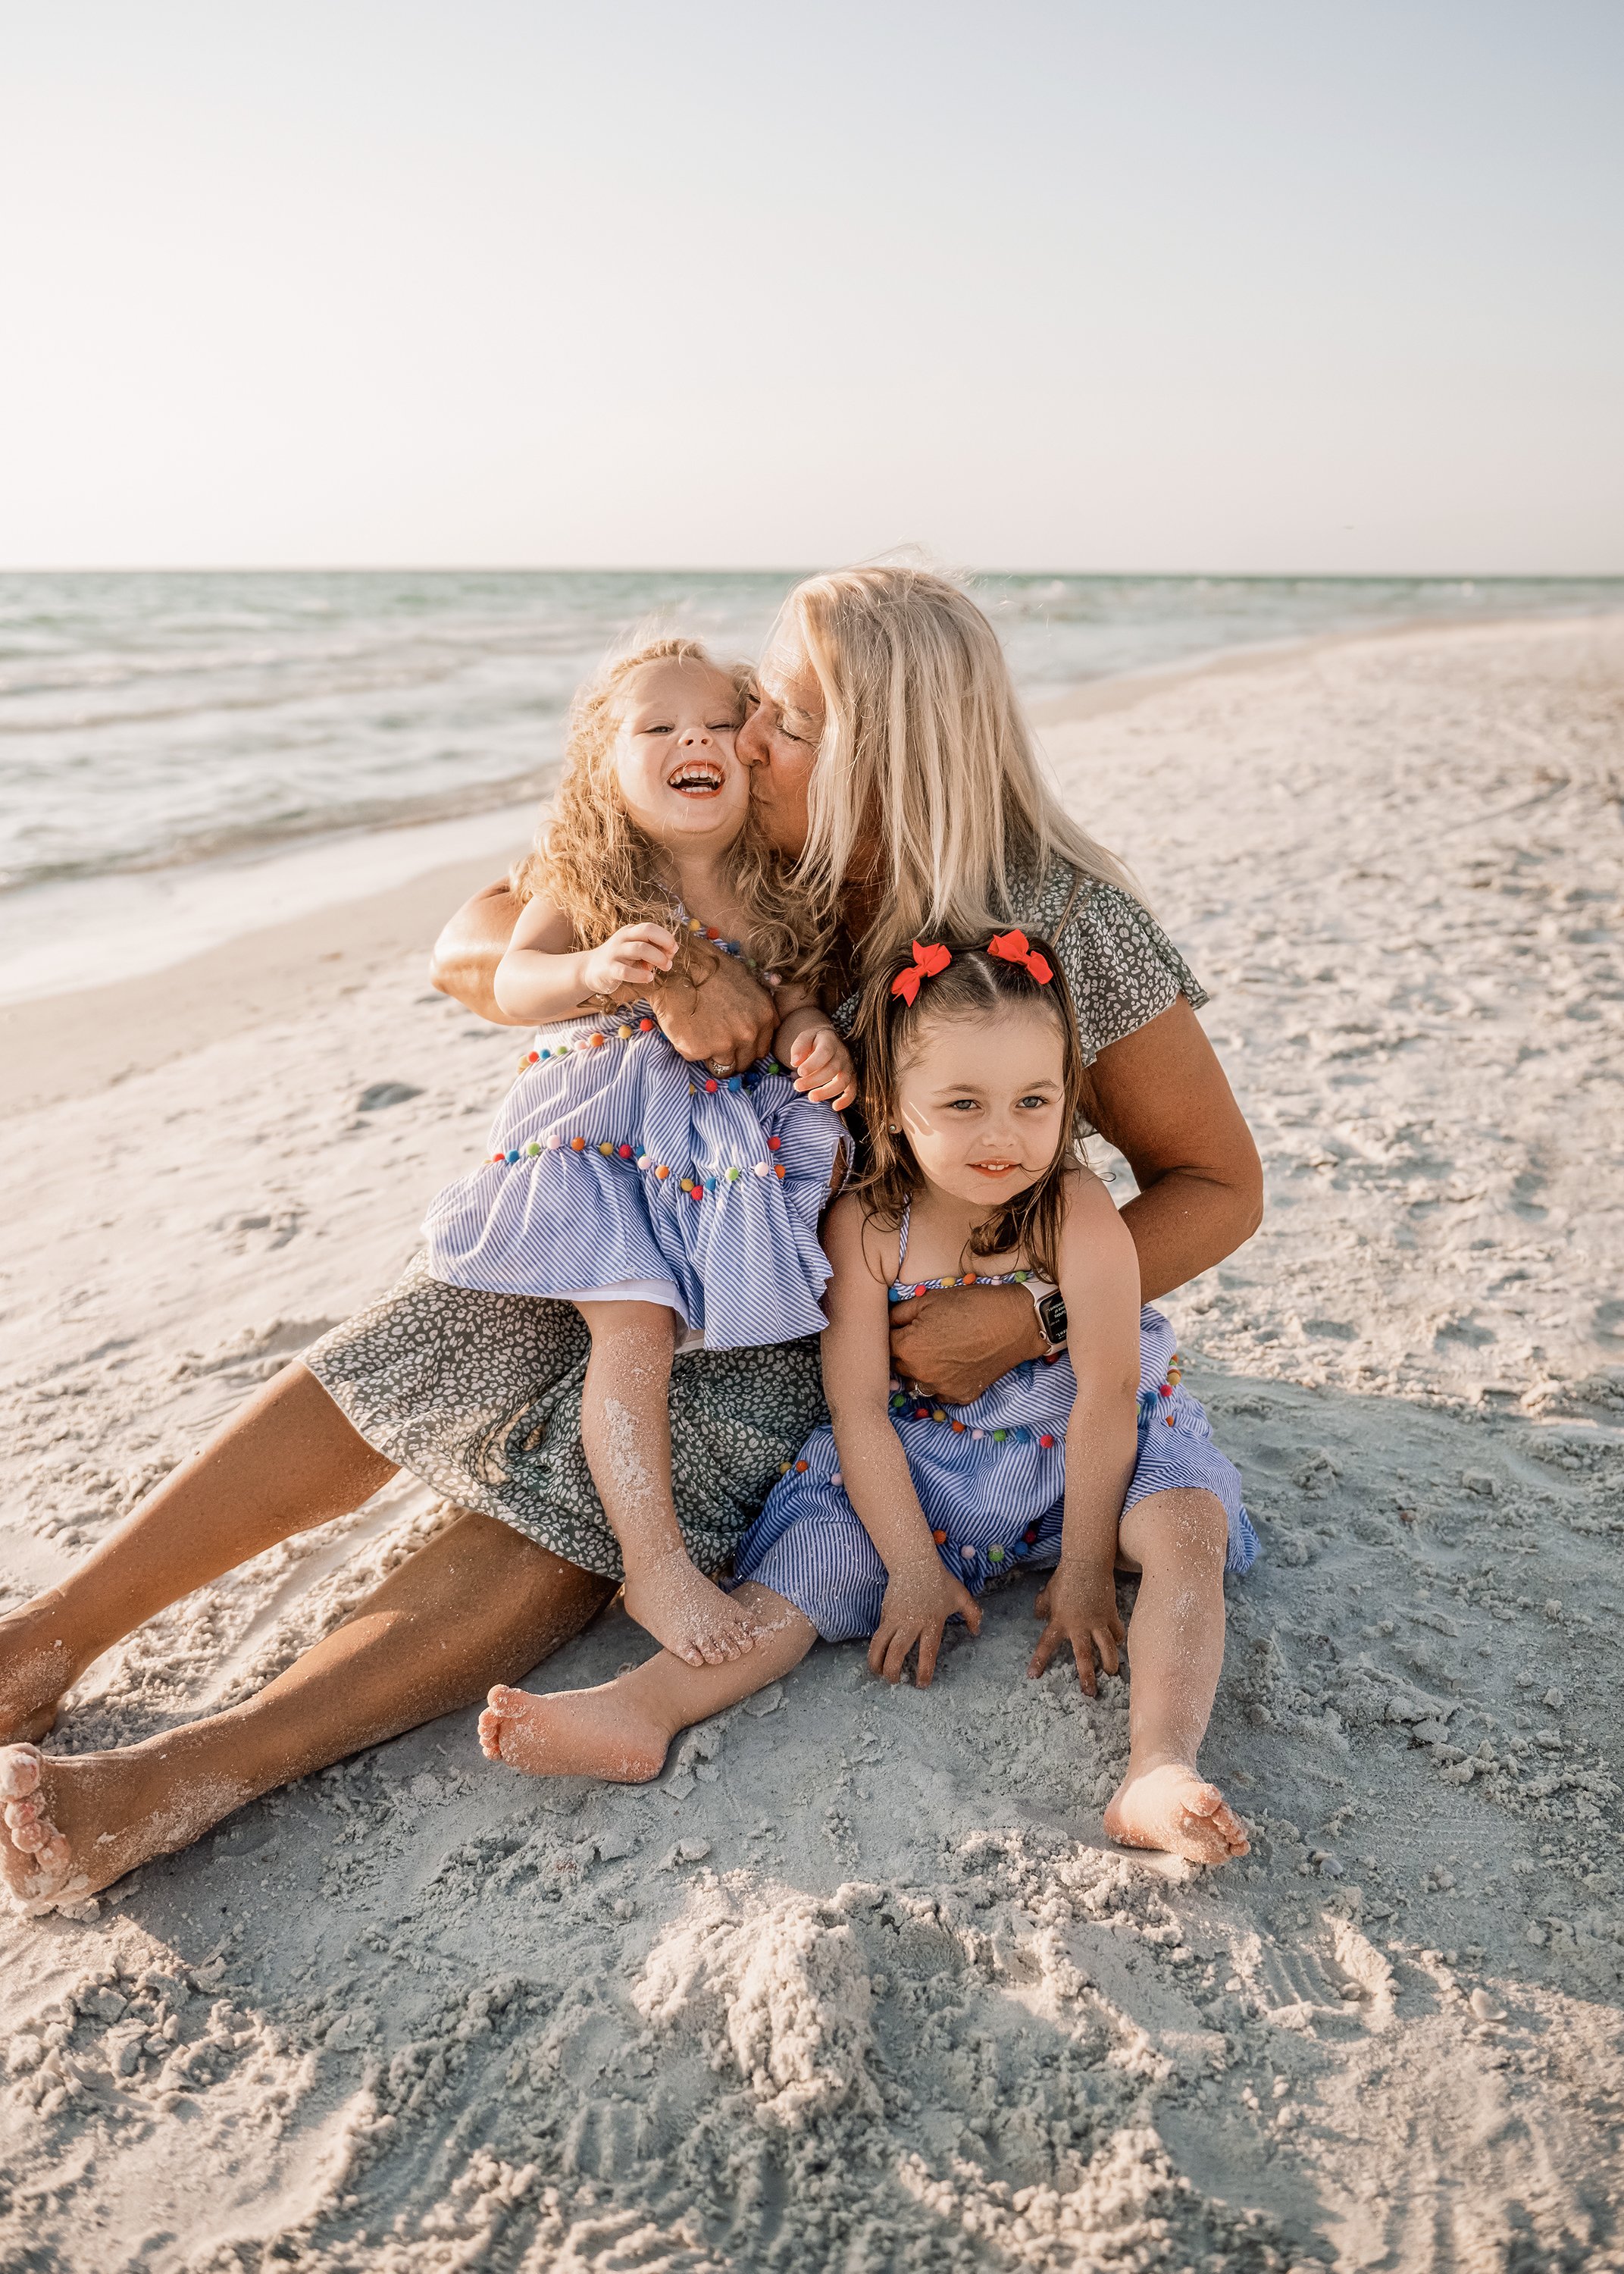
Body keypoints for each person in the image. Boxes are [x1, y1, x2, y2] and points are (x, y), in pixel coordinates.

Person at [0, 564, 1263, 1911]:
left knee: (625, 1475)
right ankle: (44, 1640)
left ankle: (197, 1769)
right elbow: (472, 939)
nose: (736, 738)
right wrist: (666, 971)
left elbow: (1216, 1184)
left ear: (878, 748)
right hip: (671, 1214)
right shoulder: (745, 850)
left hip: (847, 1311)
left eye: (776, 716)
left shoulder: (1066, 919)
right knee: (443, 1326)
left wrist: (1028, 1319)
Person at [477, 933, 1256, 1865]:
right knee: (800, 1573)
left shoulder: (1075, 1209)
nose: (1002, 1136)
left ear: (1066, 1098)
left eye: (1033, 1102)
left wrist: (1087, 1565)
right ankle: (639, 1710)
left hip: (1083, 1449)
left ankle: (1156, 1768)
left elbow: (1108, 1391)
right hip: (920, 1463)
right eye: (962, 1104)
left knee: (1185, 1532)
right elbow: (857, 1412)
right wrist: (912, 1569)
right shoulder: (869, 1225)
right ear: (893, 1104)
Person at [421, 634, 852, 1668]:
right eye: (656, 728)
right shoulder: (594, 877)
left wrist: (812, 1040)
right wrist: (596, 972)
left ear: (750, 757)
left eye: (713, 723)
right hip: (604, 1137)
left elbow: (787, 1000)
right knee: (634, 1324)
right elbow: (513, 983)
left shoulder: (775, 884)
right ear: (603, 768)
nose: (690, 739)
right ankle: (654, 1563)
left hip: (715, 1139)